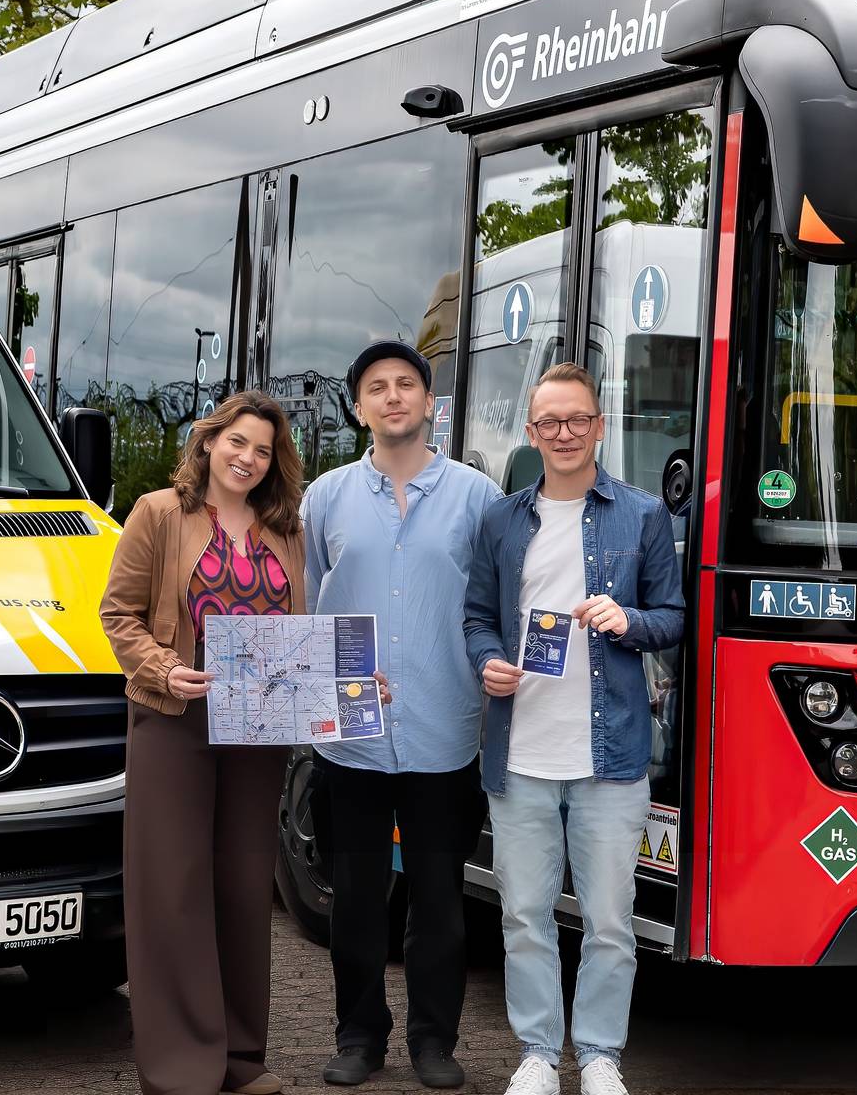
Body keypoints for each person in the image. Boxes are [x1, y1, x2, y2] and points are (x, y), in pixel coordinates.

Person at [462, 362, 686, 1095]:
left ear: (599, 426)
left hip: (610, 756)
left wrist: (629, 621)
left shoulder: (642, 516)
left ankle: (598, 1056)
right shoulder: (500, 520)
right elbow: (476, 618)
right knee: (525, 915)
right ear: (532, 432)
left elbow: (673, 618)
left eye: (578, 420)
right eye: (550, 422)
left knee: (610, 921)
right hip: (520, 753)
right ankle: (536, 1054)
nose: (565, 433)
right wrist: (488, 662)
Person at [300, 342, 500, 1090]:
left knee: (440, 902)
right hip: (349, 737)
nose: (392, 397)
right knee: (354, 900)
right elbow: (308, 604)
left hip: (446, 730)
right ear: (360, 408)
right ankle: (359, 1037)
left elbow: (493, 599)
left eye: (406, 384)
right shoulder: (325, 498)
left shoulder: (476, 496)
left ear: (428, 401)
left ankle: (433, 1040)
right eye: (377, 388)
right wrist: (330, 675)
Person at [103, 390, 309, 1095]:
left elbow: (298, 630)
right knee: (174, 889)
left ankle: (240, 1059)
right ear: (210, 441)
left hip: (259, 723)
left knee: (245, 888)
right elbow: (118, 613)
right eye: (237, 442)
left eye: (263, 450)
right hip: (175, 719)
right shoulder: (159, 512)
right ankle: (182, 1069)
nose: (248, 458)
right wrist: (163, 668)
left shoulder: (285, 527)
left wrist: (344, 679)